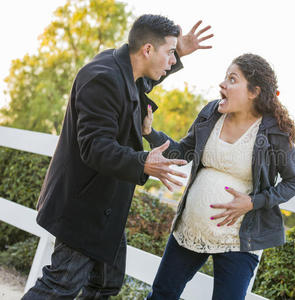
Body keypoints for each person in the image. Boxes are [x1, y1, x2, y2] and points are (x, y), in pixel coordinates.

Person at [22, 14, 213, 299]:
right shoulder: (102, 77)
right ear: (148, 50)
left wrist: (179, 50)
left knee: (105, 284)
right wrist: (144, 162)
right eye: (169, 53)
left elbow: (145, 83)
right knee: (59, 286)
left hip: (105, 206)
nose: (173, 61)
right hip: (83, 206)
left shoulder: (128, 71)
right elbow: (96, 147)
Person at [144, 53, 295, 300]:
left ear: (254, 92)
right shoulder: (211, 113)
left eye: (232, 79)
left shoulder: (274, 132)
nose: (222, 85)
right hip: (190, 229)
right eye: (225, 78)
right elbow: (183, 151)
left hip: (239, 242)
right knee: (161, 295)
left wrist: (252, 202)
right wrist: (150, 132)